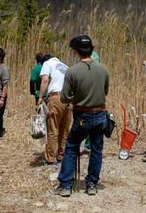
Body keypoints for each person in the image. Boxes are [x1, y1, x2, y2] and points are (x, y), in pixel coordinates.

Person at [54, 35, 109, 197]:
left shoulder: (72, 71)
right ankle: (91, 184)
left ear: (77, 50)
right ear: (91, 49)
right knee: (97, 150)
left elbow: (64, 97)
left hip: (82, 115)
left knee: (71, 147)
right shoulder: (103, 69)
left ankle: (65, 185)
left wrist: (76, 98)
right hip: (100, 114)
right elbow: (105, 92)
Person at [37, 54, 71, 164]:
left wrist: (41, 97)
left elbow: (45, 80)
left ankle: (50, 157)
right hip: (68, 98)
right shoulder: (65, 66)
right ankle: (61, 154)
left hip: (56, 97)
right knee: (64, 128)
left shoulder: (47, 64)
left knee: (53, 127)